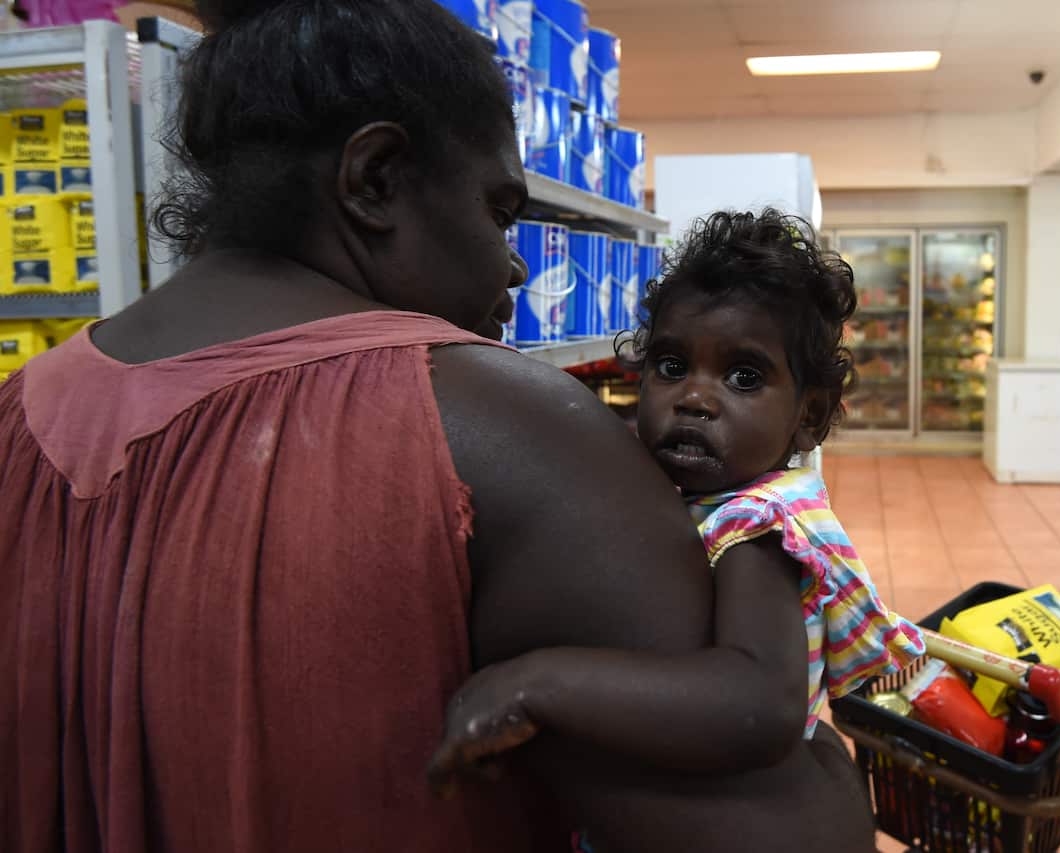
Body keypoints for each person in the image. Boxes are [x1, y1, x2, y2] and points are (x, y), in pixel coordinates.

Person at [0, 2, 875, 852]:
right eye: (498, 212)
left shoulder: (17, 414)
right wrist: (838, 778)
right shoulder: (513, 434)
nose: (517, 260)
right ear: (375, 179)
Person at [429, 211, 924, 838]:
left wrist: (536, 683)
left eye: (744, 377)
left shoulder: (758, 525)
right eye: (670, 365)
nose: (694, 396)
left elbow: (759, 701)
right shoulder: (692, 493)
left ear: (809, 415)